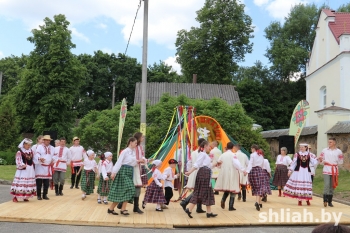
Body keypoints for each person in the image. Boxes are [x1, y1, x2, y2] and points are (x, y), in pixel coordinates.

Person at [108, 137, 143, 216]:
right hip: (123, 171)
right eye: (135, 143)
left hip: (130, 171)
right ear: (131, 142)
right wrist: (114, 172)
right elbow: (119, 162)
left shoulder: (133, 151)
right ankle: (123, 209)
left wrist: (139, 161)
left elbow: (132, 162)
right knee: (130, 188)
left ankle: (111, 209)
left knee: (124, 191)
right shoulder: (125, 151)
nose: (136, 144)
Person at [184, 140, 217, 218]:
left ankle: (209, 212)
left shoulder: (205, 154)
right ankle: (189, 209)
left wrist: (215, 164)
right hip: (204, 174)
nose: (210, 147)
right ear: (205, 146)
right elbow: (197, 164)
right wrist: (189, 172)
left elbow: (207, 165)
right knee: (200, 192)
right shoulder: (202, 154)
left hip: (206, 174)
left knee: (208, 192)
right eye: (209, 146)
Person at [214, 142, 246, 211]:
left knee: (227, 188)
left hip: (224, 173)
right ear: (233, 147)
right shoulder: (233, 155)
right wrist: (243, 170)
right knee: (233, 187)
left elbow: (218, 164)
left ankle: (223, 199)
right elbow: (237, 164)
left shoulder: (223, 155)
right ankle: (231, 206)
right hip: (232, 172)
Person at [179, 138, 206, 213]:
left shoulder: (193, 152)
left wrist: (189, 171)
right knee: (198, 190)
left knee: (199, 190)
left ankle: (198, 207)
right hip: (200, 173)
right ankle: (185, 202)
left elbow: (189, 162)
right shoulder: (203, 153)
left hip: (194, 172)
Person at [319, 138, 344, 207]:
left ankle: (330, 201)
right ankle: (325, 200)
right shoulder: (324, 150)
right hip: (327, 169)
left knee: (332, 186)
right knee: (327, 184)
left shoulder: (338, 151)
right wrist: (322, 160)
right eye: (329, 142)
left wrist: (335, 164)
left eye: (330, 142)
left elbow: (341, 161)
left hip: (334, 170)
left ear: (334, 143)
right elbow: (321, 158)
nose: (329, 143)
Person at [246, 144, 269, 211]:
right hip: (260, 170)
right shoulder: (261, 155)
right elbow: (262, 164)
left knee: (256, 187)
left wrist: (247, 171)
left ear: (253, 149)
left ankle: (258, 202)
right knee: (260, 187)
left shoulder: (252, 155)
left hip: (253, 171)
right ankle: (258, 202)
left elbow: (250, 163)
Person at [34, 135, 54, 200]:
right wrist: (40, 158)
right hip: (40, 166)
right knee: (39, 182)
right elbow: (37, 154)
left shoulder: (52, 148)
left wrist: (53, 161)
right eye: (46, 140)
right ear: (44, 140)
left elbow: (55, 155)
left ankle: (45, 194)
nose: (48, 141)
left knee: (46, 183)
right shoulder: (40, 147)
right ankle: (39, 195)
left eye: (49, 140)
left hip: (47, 167)